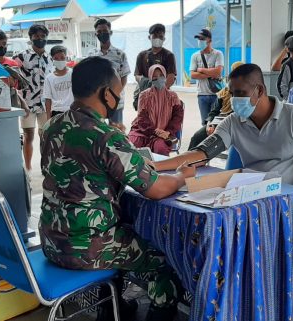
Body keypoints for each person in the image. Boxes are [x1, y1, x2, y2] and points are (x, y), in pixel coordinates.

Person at [40, 56, 194, 321]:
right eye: (118, 93)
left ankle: (111, 307)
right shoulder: (106, 136)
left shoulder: (51, 126)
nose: (118, 101)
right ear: (105, 93)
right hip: (88, 247)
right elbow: (155, 189)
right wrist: (181, 177)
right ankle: (159, 314)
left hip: (52, 241)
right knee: (164, 258)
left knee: (126, 233)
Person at [155, 63, 293, 202]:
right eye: (232, 93)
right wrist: (155, 166)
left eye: (240, 93)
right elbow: (202, 153)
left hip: (287, 198)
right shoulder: (234, 121)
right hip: (251, 195)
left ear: (259, 90)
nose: (234, 99)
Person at [15, 24, 51, 171]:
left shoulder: (51, 58)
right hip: (27, 104)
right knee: (28, 136)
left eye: (43, 36)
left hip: (45, 104)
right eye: (36, 36)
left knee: (45, 137)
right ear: (31, 38)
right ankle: (28, 169)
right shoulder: (21, 56)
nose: (40, 39)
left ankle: (45, 167)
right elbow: (14, 79)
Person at [86, 18, 131, 131]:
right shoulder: (91, 54)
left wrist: (114, 94)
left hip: (115, 100)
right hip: (96, 100)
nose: (102, 34)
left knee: (115, 131)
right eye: (99, 32)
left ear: (110, 32)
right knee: (97, 130)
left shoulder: (120, 54)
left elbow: (124, 78)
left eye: (105, 31)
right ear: (96, 34)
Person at [128, 64, 184, 156]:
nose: (159, 79)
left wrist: (168, 132)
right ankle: (136, 170)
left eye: (161, 76)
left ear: (165, 76)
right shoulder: (144, 95)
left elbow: (178, 118)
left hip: (164, 133)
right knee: (132, 145)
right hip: (143, 131)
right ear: (150, 78)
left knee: (160, 148)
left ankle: (160, 169)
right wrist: (155, 131)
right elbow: (142, 118)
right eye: (154, 77)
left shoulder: (172, 96)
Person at [188, 61, 243, 150]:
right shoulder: (224, 92)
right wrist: (210, 124)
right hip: (216, 123)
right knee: (197, 137)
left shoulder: (246, 93)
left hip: (232, 126)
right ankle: (189, 161)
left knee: (214, 142)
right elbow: (214, 111)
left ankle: (200, 158)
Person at [190, 28, 225, 125]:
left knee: (216, 123)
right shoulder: (195, 56)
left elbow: (218, 72)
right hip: (202, 95)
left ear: (209, 40)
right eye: (198, 39)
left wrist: (201, 70)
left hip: (216, 94)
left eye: (202, 39)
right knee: (205, 124)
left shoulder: (218, 54)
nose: (199, 42)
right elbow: (193, 75)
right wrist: (211, 72)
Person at [135, 23, 177, 88]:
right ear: (149, 37)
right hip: (145, 92)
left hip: (162, 93)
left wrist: (160, 91)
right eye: (155, 36)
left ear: (164, 39)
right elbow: (137, 75)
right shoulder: (142, 55)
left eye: (160, 37)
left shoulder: (169, 56)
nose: (158, 39)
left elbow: (171, 77)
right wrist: (145, 83)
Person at [42, 46, 73, 119]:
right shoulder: (49, 78)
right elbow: (48, 99)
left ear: (66, 58)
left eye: (62, 57)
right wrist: (48, 119)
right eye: (56, 58)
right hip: (56, 113)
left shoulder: (74, 74)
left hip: (72, 111)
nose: (59, 60)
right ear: (52, 59)